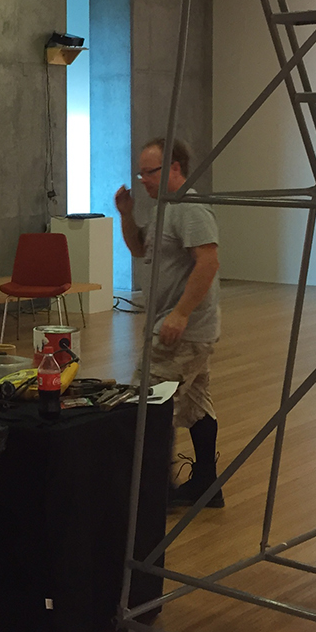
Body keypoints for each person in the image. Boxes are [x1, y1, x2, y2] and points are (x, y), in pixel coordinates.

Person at [115, 137, 223, 509]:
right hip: (181, 330)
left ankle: (152, 494)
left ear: (174, 168)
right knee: (195, 405)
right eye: (141, 173)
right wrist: (126, 214)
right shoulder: (164, 207)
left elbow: (208, 262)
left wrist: (180, 313)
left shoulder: (190, 208)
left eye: (150, 172)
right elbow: (139, 248)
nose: (143, 180)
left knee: (147, 407)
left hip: (182, 333)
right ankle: (207, 486)